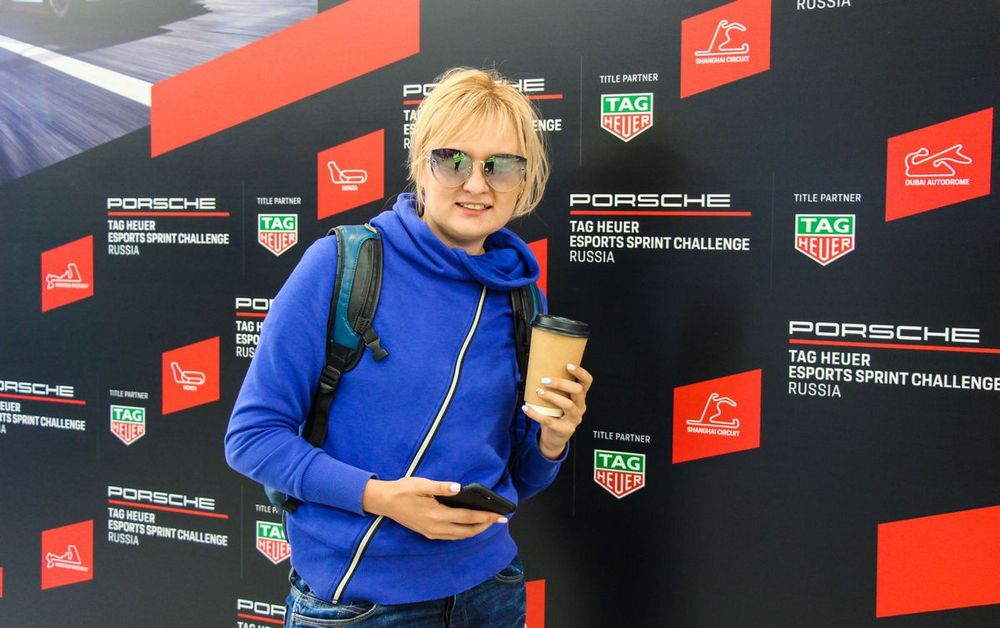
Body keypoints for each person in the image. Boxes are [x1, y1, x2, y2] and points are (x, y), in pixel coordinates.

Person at [224, 67, 593, 627]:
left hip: (491, 591)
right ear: (421, 164)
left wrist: (552, 439)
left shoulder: (521, 296)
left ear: (523, 180)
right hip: (360, 605)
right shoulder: (342, 264)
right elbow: (251, 438)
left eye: (500, 165)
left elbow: (521, 478)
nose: (477, 185)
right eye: (453, 160)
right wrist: (379, 497)